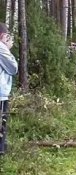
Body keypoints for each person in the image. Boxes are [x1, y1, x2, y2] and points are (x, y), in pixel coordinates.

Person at [0, 22, 18, 155]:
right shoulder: (1, 48)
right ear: (2, 36)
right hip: (0, 94)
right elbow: (13, 68)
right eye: (7, 37)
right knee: (1, 126)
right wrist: (8, 49)